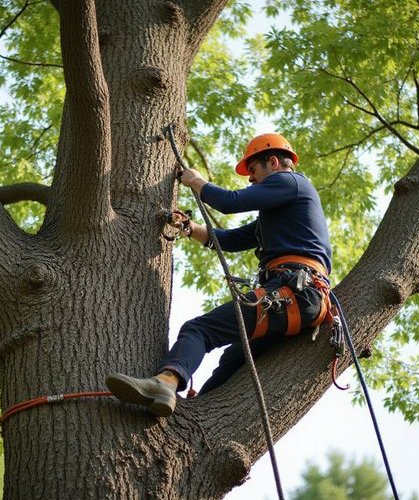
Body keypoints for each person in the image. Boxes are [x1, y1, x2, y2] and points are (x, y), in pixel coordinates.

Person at [106, 133, 333, 417]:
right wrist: (189, 227)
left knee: (199, 329)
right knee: (234, 358)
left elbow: (229, 201)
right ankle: (196, 410)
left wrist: (196, 181)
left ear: (273, 162)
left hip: (293, 291)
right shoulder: (280, 216)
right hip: (300, 298)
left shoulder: (290, 181)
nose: (250, 179)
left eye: (253, 170)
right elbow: (229, 240)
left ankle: (166, 381)